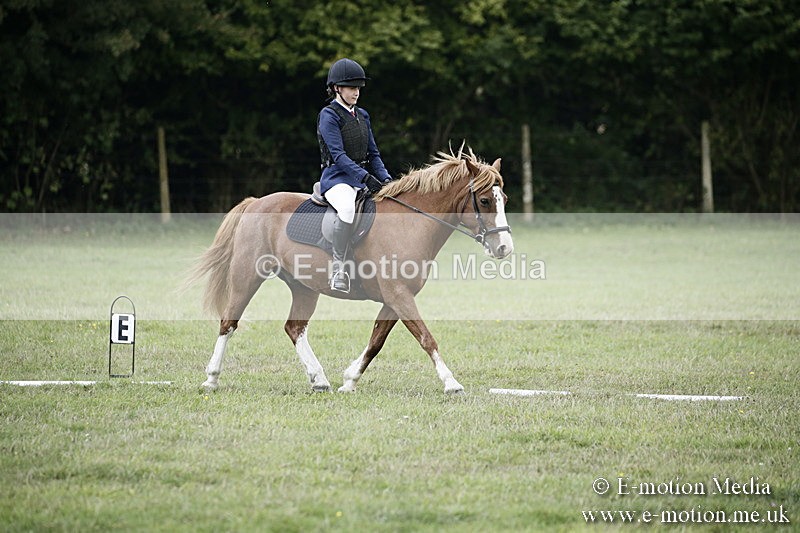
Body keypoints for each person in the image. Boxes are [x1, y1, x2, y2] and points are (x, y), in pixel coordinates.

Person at [317, 58, 393, 293]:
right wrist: (365, 178)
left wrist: (387, 180)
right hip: (336, 179)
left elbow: (373, 153)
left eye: (358, 87)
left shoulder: (362, 115)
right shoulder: (329, 115)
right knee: (348, 209)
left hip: (360, 178)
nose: (356, 92)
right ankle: (339, 268)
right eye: (351, 87)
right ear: (337, 88)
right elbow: (338, 155)